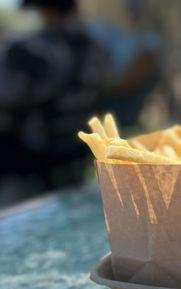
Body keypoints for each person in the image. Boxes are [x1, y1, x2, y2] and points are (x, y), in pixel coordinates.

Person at [0, 0, 108, 199]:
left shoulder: (26, 49)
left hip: (32, 153)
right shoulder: (95, 47)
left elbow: (7, 96)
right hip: (78, 147)